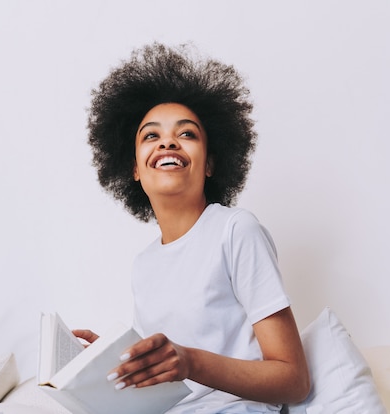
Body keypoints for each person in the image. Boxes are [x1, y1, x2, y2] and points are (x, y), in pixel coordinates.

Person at [73, 42, 310, 413]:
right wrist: (116, 364)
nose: (167, 141)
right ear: (134, 169)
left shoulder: (236, 231)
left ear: (211, 163)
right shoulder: (144, 264)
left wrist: (191, 362)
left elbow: (293, 380)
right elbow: (168, 374)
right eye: (151, 135)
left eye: (187, 134)